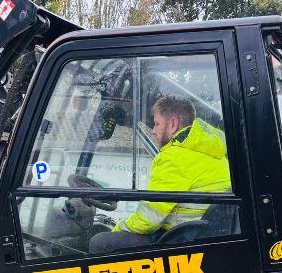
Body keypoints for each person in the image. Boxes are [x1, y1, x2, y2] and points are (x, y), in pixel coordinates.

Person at [89, 94, 230, 254]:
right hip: (198, 236)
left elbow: (148, 220)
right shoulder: (213, 152)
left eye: (156, 124)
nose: (153, 131)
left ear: (173, 124)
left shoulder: (174, 157)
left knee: (99, 242)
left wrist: (118, 228)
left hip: (180, 241)